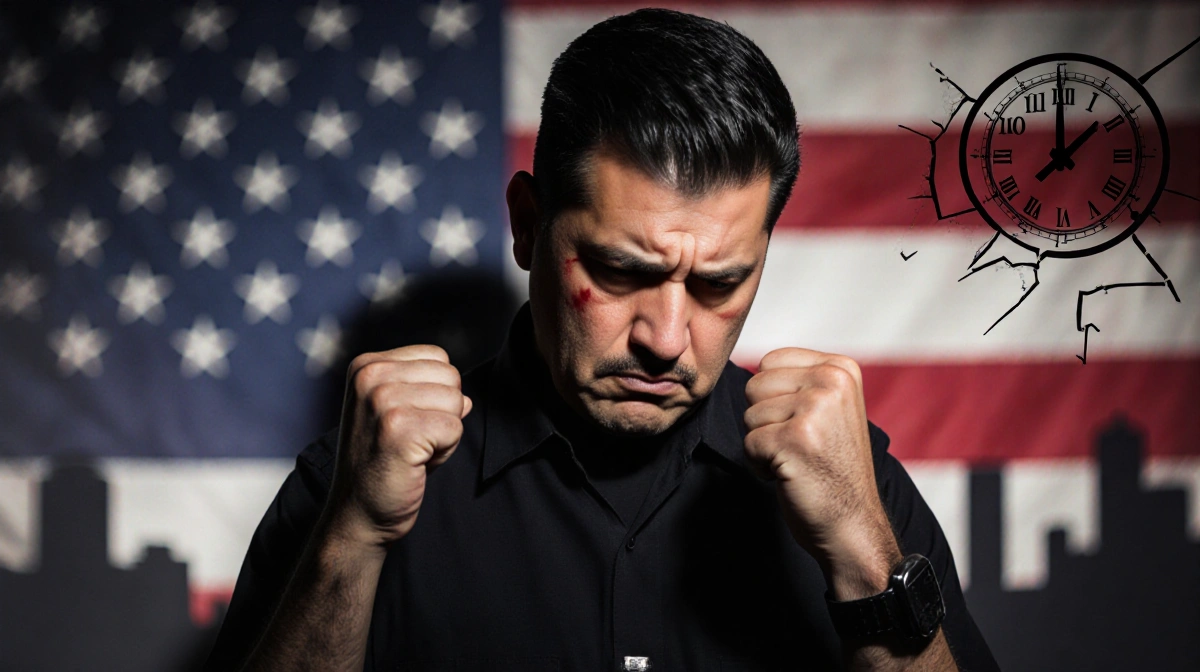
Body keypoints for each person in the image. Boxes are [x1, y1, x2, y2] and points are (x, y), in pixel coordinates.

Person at [206, 8, 998, 672]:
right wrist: (354, 536)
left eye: (719, 283)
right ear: (527, 225)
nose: (666, 338)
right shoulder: (356, 482)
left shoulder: (855, 483)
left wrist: (862, 551)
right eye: (621, 272)